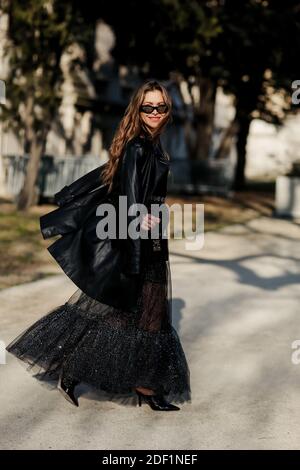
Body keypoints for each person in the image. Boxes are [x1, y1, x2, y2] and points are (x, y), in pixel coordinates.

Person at [6, 79, 191, 411]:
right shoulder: (138, 146)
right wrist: (141, 220)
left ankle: (137, 382)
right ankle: (101, 375)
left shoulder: (152, 145)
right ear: (138, 109)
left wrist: (154, 213)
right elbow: (133, 198)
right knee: (139, 311)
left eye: (160, 107)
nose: (154, 112)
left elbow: (139, 194)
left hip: (148, 238)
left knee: (140, 312)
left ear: (167, 110)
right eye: (148, 106)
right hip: (136, 238)